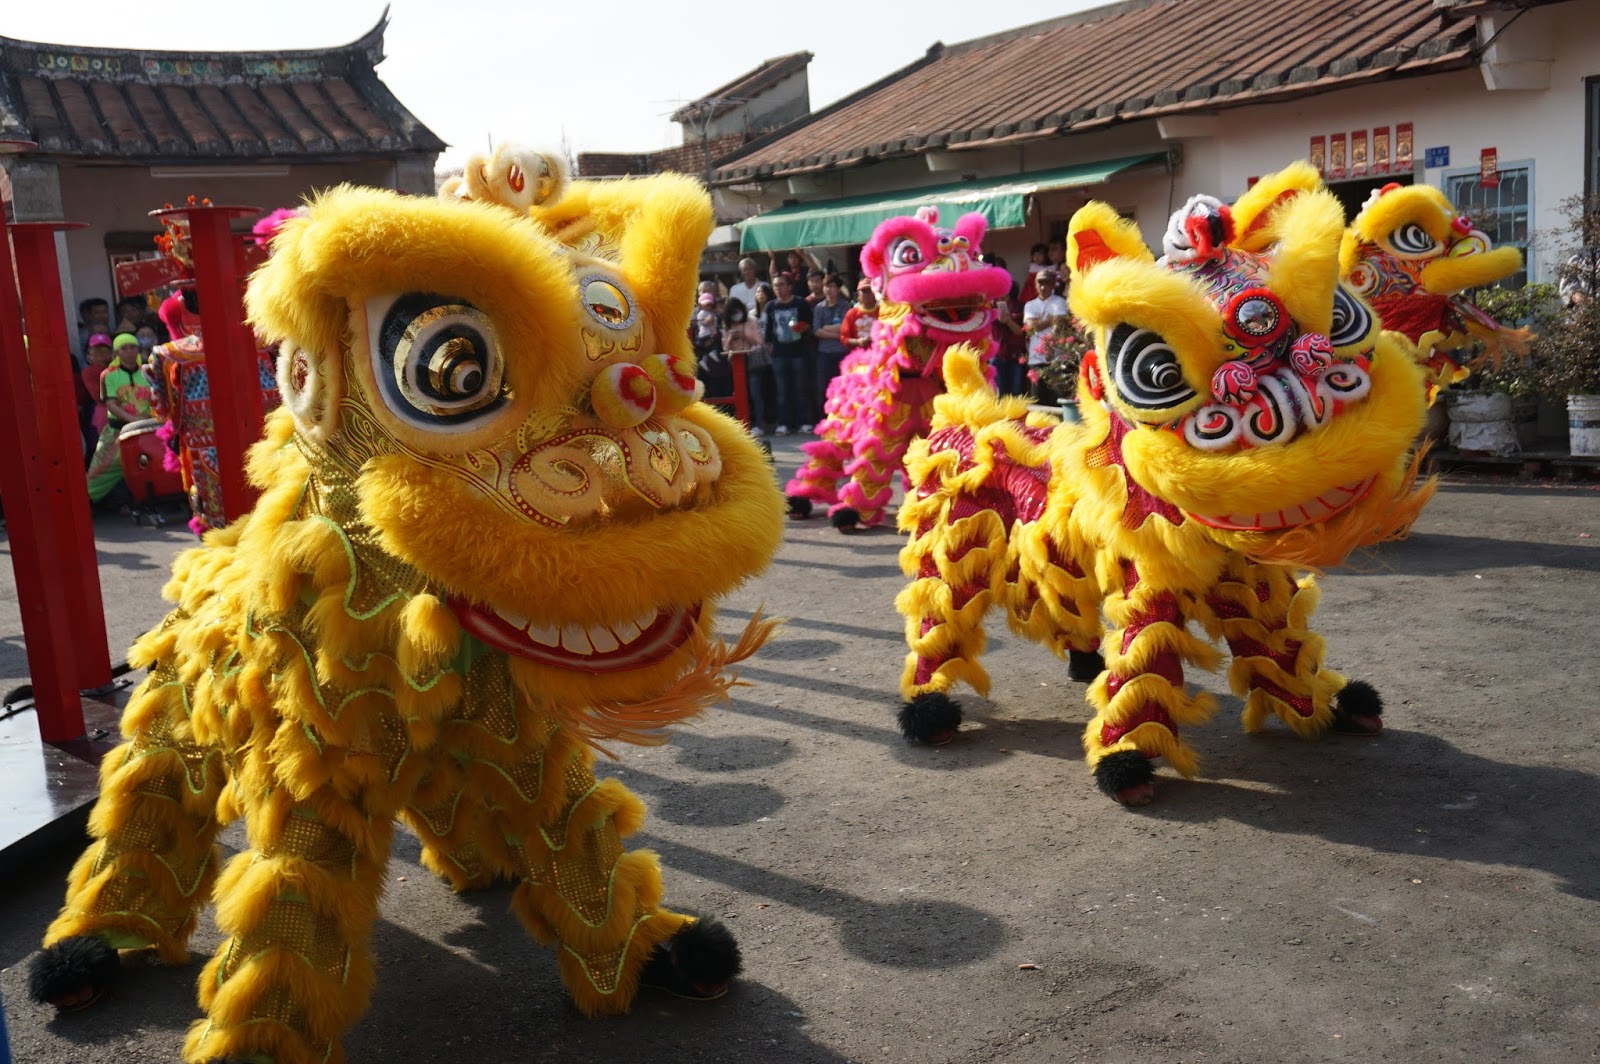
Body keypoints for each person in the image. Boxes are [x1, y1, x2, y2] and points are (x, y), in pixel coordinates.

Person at [86, 333, 154, 504]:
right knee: (99, 471)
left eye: (133, 347)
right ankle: (86, 502)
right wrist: (132, 420)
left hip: (146, 429)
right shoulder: (108, 375)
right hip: (118, 431)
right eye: (124, 348)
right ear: (116, 353)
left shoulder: (147, 372)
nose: (129, 352)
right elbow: (111, 404)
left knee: (146, 466)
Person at [763, 274, 810, 435]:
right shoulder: (771, 306)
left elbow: (808, 324)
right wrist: (769, 346)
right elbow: (768, 329)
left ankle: (803, 422)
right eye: (775, 285)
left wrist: (803, 328)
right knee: (782, 391)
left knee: (801, 389)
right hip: (778, 353)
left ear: (790, 286)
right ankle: (783, 423)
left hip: (798, 352)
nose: (778, 288)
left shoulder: (801, 303)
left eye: (781, 285)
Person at [721, 297, 767, 434]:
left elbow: (760, 342)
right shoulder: (727, 324)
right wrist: (731, 337)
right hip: (735, 362)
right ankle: (742, 423)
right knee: (739, 394)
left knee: (755, 393)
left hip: (752, 360)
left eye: (737, 311)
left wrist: (745, 335)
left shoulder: (751, 320)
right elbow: (724, 347)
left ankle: (759, 424)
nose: (736, 314)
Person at [1023, 269, 1070, 403]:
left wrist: (1049, 346)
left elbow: (1059, 324)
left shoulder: (1059, 302)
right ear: (1035, 284)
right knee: (1037, 398)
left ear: (1054, 284)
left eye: (1047, 283)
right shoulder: (1030, 305)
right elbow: (1032, 326)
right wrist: (1051, 319)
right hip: (1036, 358)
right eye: (1040, 283)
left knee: (1057, 398)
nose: (1043, 287)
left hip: (1056, 357)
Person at [811, 274, 852, 427]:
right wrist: (836, 332)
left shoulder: (845, 306)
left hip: (842, 352)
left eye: (832, 286)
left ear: (838, 289)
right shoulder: (819, 308)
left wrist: (826, 329)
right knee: (823, 387)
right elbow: (816, 331)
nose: (829, 289)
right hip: (824, 353)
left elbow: (845, 330)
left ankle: (844, 418)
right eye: (826, 286)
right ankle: (825, 420)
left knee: (843, 387)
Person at [691, 292, 730, 398]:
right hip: (707, 368)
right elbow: (697, 343)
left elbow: (723, 339)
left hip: (723, 365)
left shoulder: (719, 319)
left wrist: (713, 332)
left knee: (726, 392)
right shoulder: (698, 321)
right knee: (712, 394)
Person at [840, 278, 878, 352]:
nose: (867, 294)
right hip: (858, 356)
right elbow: (844, 338)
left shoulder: (883, 311)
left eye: (869, 291)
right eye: (864, 291)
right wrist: (858, 342)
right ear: (858, 295)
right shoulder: (851, 313)